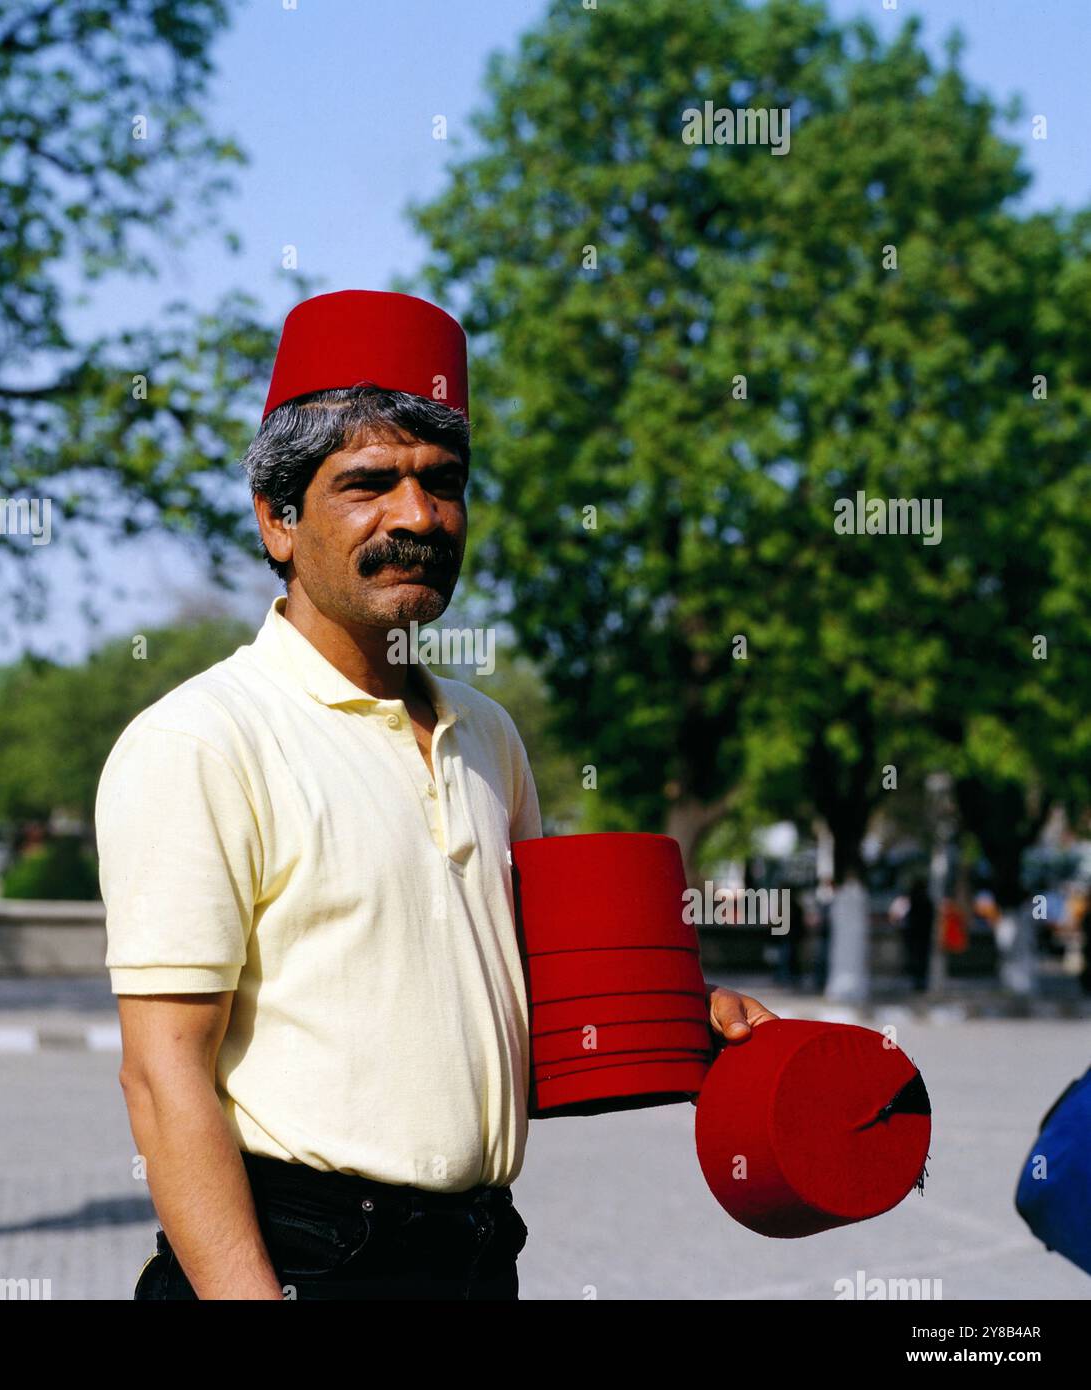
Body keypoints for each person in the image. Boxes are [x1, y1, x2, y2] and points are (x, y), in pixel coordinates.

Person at [97, 289, 776, 1301]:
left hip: (473, 1256)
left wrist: (688, 1024)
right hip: (300, 1263)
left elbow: (516, 1005)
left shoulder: (486, 733)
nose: (417, 517)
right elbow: (162, 1080)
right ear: (277, 522)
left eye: (442, 482)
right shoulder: (203, 739)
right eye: (368, 484)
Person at [902, 873, 934, 993]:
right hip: (922, 935)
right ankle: (920, 981)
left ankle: (917, 981)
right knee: (921, 959)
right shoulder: (925, 900)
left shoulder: (913, 900)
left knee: (916, 959)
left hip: (915, 934)